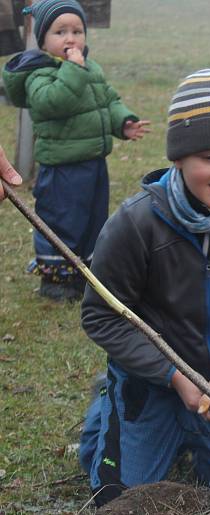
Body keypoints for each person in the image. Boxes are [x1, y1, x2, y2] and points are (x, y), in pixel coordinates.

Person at [77, 69, 210, 506]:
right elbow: (100, 315)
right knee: (120, 501)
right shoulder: (136, 223)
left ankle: (202, 425)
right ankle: (111, 406)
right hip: (154, 382)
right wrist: (173, 376)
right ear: (178, 156)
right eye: (209, 156)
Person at [2, 0, 150, 302]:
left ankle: (86, 273)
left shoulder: (89, 69)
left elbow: (106, 100)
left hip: (93, 162)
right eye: (60, 32)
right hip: (61, 168)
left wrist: (122, 122)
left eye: (77, 31)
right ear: (43, 40)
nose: (70, 38)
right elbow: (52, 103)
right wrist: (74, 69)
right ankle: (55, 278)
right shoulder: (39, 73)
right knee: (61, 219)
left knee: (93, 219)